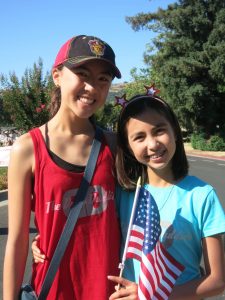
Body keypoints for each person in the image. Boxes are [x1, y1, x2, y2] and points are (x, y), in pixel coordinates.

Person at [3, 34, 122, 300]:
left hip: (109, 294)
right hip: (53, 291)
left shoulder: (114, 146)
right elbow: (18, 240)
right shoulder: (28, 148)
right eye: (82, 73)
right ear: (57, 75)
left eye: (103, 79)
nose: (92, 87)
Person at [107, 93, 225, 299]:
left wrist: (150, 296)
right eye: (139, 137)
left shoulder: (202, 196)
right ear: (128, 146)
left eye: (159, 131)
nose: (152, 144)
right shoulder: (122, 194)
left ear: (175, 133)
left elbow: (217, 281)